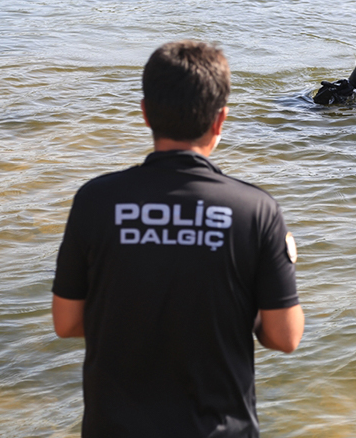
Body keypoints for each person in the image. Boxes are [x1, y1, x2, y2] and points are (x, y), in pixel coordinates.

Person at [52, 40, 304, 438]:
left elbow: (66, 322)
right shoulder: (254, 210)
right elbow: (285, 337)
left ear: (145, 113)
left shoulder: (94, 200)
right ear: (220, 120)